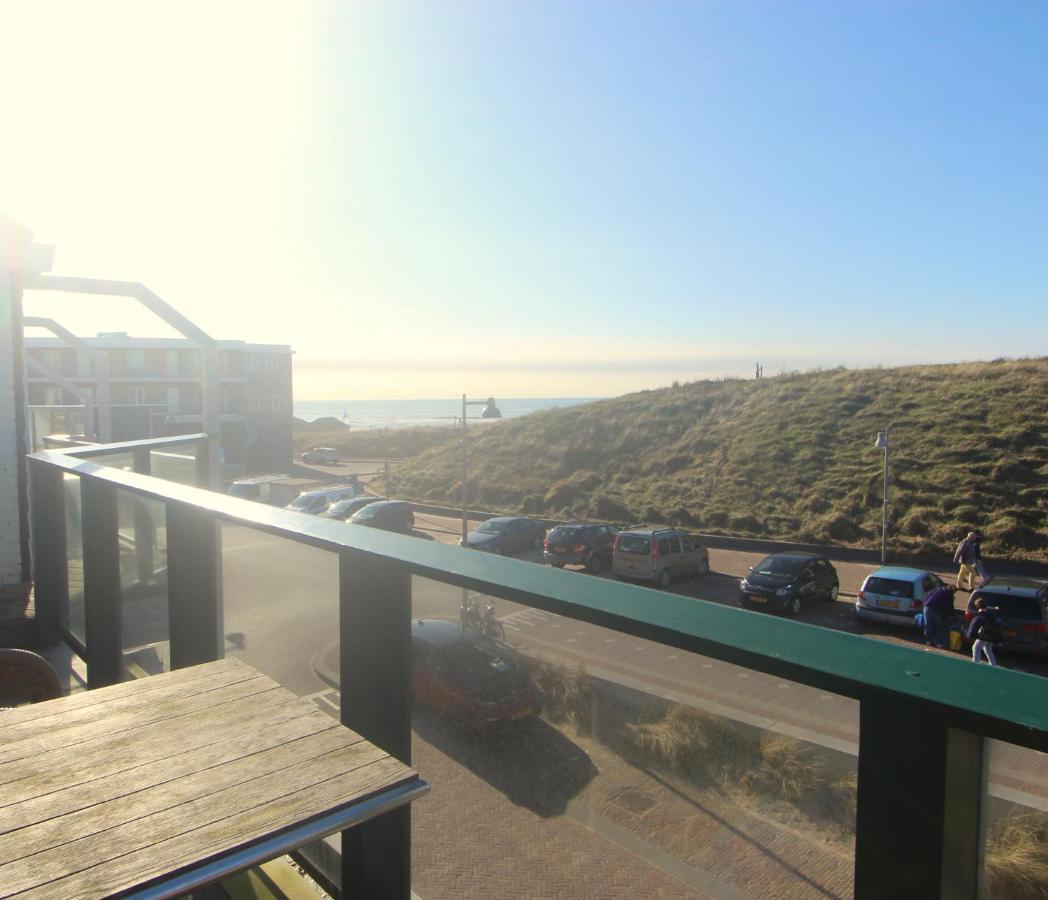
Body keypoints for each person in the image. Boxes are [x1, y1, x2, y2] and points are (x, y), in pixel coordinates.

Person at [968, 596, 1001, 666]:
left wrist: (971, 633)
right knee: (988, 649)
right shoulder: (991, 611)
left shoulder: (982, 613)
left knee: (976, 647)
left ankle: (975, 663)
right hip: (992, 634)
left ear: (978, 606)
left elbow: (975, 624)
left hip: (984, 634)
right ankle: (993, 664)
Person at [922, 584, 957, 649]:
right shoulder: (949, 595)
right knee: (941, 627)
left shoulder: (937, 589)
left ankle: (928, 641)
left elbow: (928, 595)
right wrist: (953, 617)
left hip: (927, 607)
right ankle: (939, 643)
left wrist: (925, 603)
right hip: (938, 612)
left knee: (928, 625)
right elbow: (950, 607)